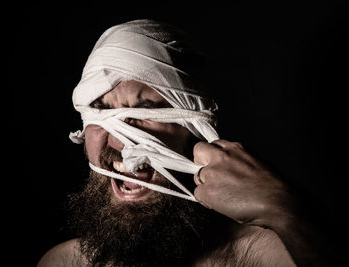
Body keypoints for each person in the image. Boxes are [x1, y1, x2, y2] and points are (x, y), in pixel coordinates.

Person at [37, 20, 330, 267]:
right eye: (101, 111)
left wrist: (285, 209)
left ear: (196, 131)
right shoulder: (64, 263)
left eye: (148, 110)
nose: (119, 139)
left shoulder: (269, 256)